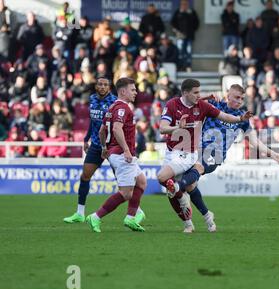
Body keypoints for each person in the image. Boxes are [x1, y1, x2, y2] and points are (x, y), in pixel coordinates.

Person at [165, 84, 279, 232]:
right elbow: (190, 103)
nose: (239, 101)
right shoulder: (215, 105)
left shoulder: (243, 117)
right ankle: (207, 216)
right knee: (191, 185)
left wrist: (272, 153)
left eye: (242, 98)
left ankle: (177, 188)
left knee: (197, 169)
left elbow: (254, 141)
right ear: (227, 95)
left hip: (215, 155)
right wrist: (206, 97)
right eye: (236, 97)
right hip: (196, 150)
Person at [157, 79, 253, 233]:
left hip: (197, 153)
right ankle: (199, 218)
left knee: (165, 179)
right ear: (186, 93)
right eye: (195, 92)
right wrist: (177, 127)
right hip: (172, 151)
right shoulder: (173, 104)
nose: (198, 95)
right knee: (189, 186)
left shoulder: (204, 106)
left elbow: (226, 117)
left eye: (199, 92)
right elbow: (162, 128)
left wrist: (241, 119)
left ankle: (179, 190)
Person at [64, 77, 146, 224]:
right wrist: (86, 138)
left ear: (110, 87)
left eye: (105, 84)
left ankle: (135, 212)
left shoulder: (115, 102)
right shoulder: (93, 100)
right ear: (95, 86)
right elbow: (93, 122)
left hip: (113, 146)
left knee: (127, 182)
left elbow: (113, 127)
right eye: (99, 84)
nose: (102, 87)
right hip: (99, 145)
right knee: (85, 176)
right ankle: (80, 213)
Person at [85, 78, 147, 233]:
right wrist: (126, 149)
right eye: (132, 89)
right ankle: (96, 216)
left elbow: (101, 131)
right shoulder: (122, 108)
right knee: (126, 193)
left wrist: (104, 148)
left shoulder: (112, 107)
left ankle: (131, 217)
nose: (136, 92)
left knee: (141, 182)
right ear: (123, 91)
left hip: (115, 152)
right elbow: (117, 129)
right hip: (122, 154)